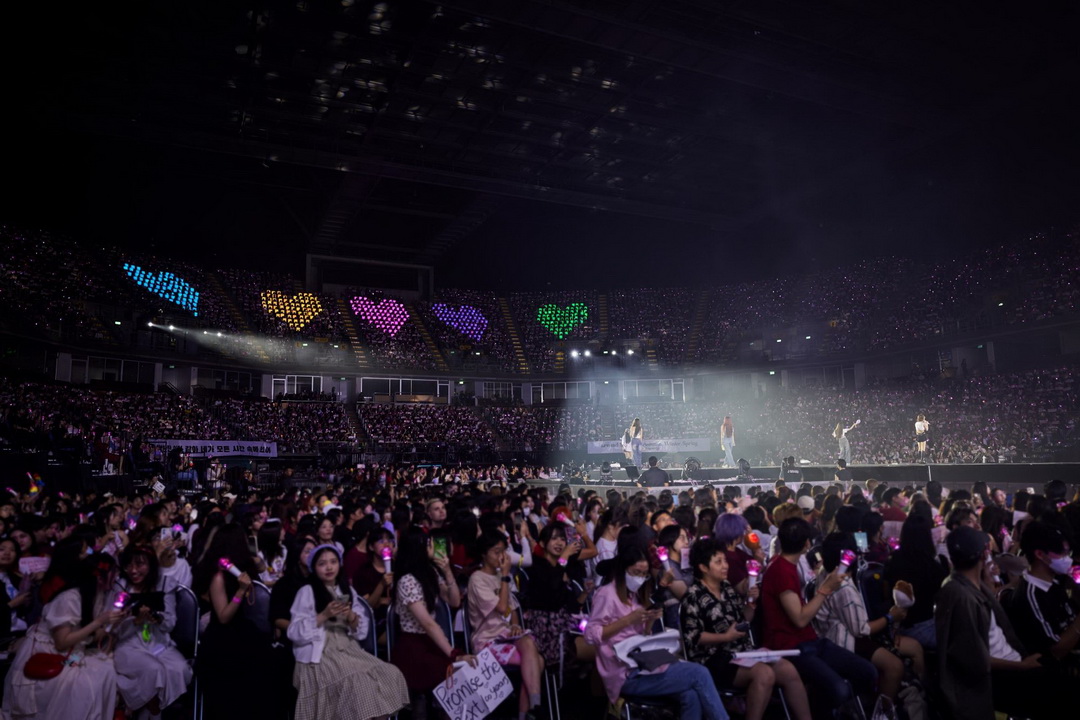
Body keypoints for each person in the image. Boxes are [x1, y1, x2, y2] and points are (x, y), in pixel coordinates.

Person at [585, 544, 728, 720]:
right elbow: (591, 634)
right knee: (699, 673)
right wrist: (628, 620)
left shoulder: (634, 595)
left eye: (644, 574)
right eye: (636, 572)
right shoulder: (607, 594)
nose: (640, 578)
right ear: (623, 569)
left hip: (644, 664)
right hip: (625, 673)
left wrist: (649, 619)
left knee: (690, 695)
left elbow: (641, 637)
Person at [935, 526, 1060, 720]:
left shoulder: (967, 586)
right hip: (998, 679)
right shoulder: (960, 595)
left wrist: (989, 580)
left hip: (1010, 665)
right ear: (985, 553)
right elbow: (972, 659)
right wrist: (1023, 666)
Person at [681, 538, 812, 720]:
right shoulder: (693, 595)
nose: (725, 566)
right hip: (713, 659)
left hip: (741, 653)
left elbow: (743, 620)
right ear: (703, 567)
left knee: (787, 668)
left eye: (725, 560)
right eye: (718, 562)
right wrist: (725, 637)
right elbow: (692, 637)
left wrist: (751, 604)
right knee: (764, 673)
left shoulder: (726, 588)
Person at [759, 518, 877, 716]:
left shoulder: (786, 565)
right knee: (838, 689)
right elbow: (799, 619)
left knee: (868, 672)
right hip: (789, 646)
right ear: (807, 544)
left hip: (809, 641)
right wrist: (825, 589)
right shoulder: (780, 571)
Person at [1, 538, 122, 720]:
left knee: (105, 672)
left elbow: (91, 634)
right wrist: (99, 622)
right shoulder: (70, 597)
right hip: (51, 652)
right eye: (112, 574)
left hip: (75, 651)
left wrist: (114, 623)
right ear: (98, 575)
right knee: (84, 685)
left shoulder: (96, 594)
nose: (116, 578)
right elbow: (61, 642)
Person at [288, 544, 409, 720]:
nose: (329, 567)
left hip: (346, 647)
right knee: (358, 683)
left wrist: (351, 616)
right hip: (320, 653)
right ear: (314, 567)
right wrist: (323, 615)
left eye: (333, 562)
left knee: (389, 673)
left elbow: (362, 631)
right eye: (322, 563)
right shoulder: (307, 591)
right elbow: (293, 632)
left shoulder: (346, 590)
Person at [813, 533, 923, 703]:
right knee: (894, 666)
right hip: (843, 642)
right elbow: (862, 630)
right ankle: (882, 710)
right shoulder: (843, 588)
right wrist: (890, 617)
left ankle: (913, 698)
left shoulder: (826, 573)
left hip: (838, 635)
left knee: (914, 647)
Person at [467, 531, 546, 720]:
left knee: (528, 644)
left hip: (506, 637)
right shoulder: (477, 579)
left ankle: (532, 709)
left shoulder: (500, 576)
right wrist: (504, 576)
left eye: (504, 551)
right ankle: (528, 712)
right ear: (484, 554)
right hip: (488, 641)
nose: (502, 557)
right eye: (496, 552)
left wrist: (515, 628)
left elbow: (512, 610)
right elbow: (502, 608)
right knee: (536, 661)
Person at [390, 527, 468, 717]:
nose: (432, 546)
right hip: (413, 646)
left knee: (460, 674)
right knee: (451, 674)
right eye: (428, 544)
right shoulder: (407, 580)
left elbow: (455, 601)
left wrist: (447, 570)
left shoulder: (429, 572)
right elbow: (427, 623)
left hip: (431, 642)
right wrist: (453, 653)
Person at [110, 544, 192, 718]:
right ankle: (153, 711)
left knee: (180, 669)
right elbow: (112, 628)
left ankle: (149, 711)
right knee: (153, 670)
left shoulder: (163, 583)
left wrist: (158, 618)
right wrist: (135, 621)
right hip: (128, 643)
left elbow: (170, 623)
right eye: (129, 565)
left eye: (140, 565)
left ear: (151, 565)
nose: (133, 570)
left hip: (157, 641)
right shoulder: (120, 586)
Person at [1006, 521, 1080, 669]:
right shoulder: (1030, 596)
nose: (1068, 559)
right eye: (1062, 554)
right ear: (1040, 554)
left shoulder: (1055, 582)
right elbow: (1057, 651)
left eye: (1068, 553)